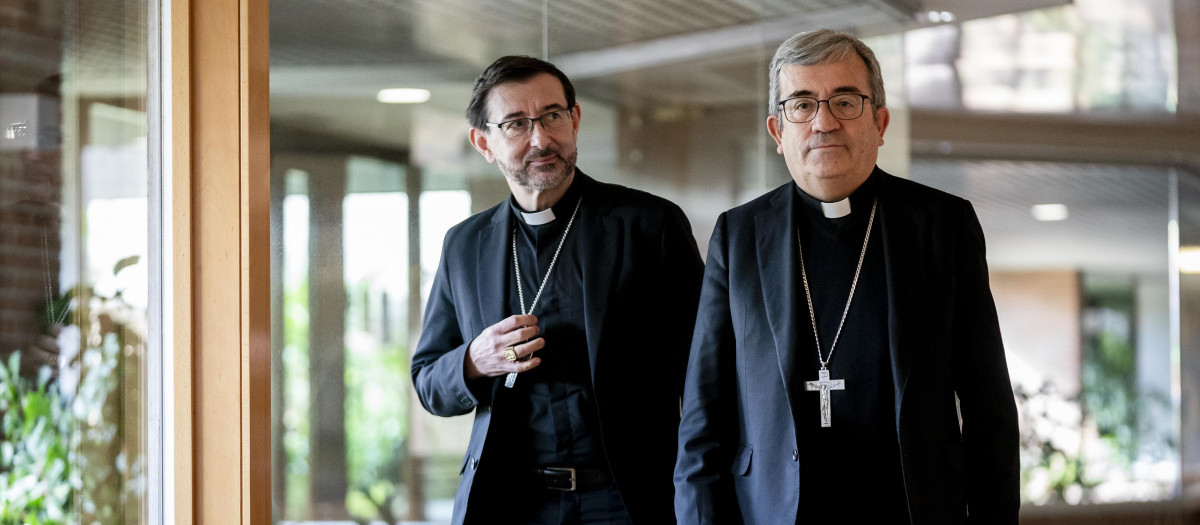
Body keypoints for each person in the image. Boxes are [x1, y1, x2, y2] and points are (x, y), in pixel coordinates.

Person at [674, 29, 1019, 524]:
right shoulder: (739, 235)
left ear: (880, 122)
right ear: (777, 131)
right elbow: (703, 415)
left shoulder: (942, 225)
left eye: (845, 101)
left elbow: (990, 409)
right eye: (802, 104)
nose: (823, 122)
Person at [412, 55, 704, 525]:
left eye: (552, 115)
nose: (540, 139)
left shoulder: (649, 225)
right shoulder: (464, 245)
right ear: (483, 142)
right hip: (510, 501)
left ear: (576, 119)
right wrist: (473, 361)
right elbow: (428, 382)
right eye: (515, 124)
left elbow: (706, 372)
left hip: (628, 498)